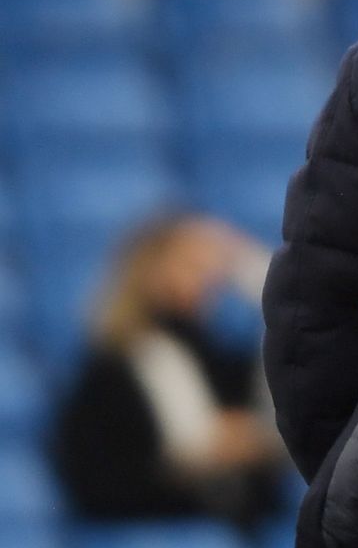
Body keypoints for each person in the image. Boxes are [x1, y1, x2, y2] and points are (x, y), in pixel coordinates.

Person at [52, 216, 282, 527]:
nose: (209, 278)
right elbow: (101, 475)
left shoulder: (219, 357)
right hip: (140, 529)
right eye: (190, 265)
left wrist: (257, 275)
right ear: (152, 270)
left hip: (223, 537)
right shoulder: (116, 363)